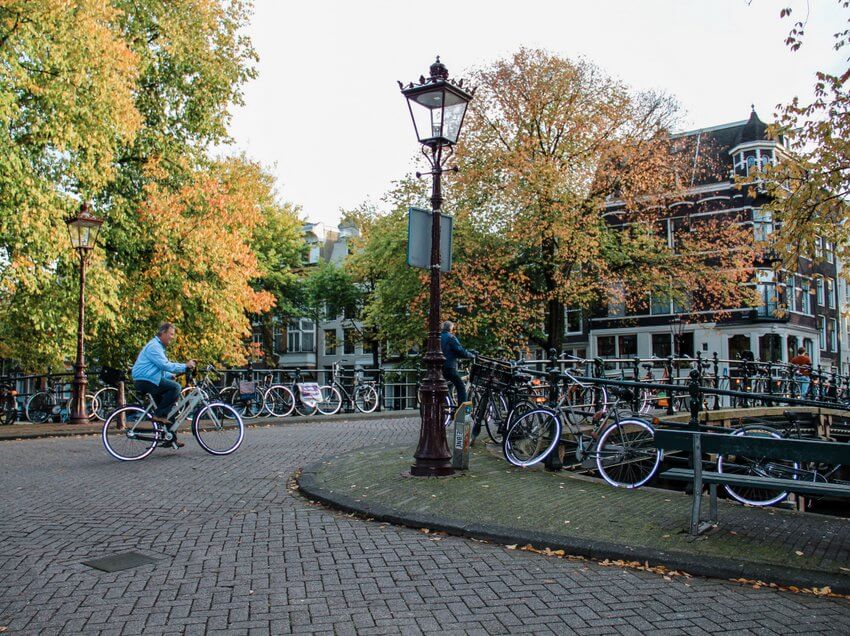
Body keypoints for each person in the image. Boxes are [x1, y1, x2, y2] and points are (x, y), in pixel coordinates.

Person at [131, 322, 196, 448]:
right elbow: (164, 365)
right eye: (171, 334)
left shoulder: (157, 346)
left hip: (148, 378)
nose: (172, 337)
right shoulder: (154, 346)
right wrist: (185, 366)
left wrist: (168, 375)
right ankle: (158, 415)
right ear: (163, 333)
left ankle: (170, 438)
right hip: (145, 380)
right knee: (175, 388)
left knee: (169, 410)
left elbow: (157, 367)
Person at [440, 321, 475, 405]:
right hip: (449, 366)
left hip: (438, 367)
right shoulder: (451, 337)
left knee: (446, 385)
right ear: (451, 328)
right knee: (461, 386)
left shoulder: (438, 337)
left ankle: (450, 404)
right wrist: (471, 355)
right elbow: (460, 351)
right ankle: (462, 409)